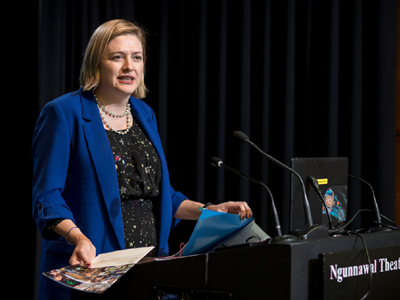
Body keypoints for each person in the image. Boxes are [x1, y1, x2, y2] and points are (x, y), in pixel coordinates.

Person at [32, 19, 252, 300]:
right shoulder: (64, 113)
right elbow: (47, 197)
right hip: (92, 274)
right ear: (96, 63)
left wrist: (211, 211)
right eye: (117, 57)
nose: (129, 66)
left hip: (148, 275)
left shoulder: (144, 114)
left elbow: (159, 195)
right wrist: (78, 237)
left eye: (136, 57)